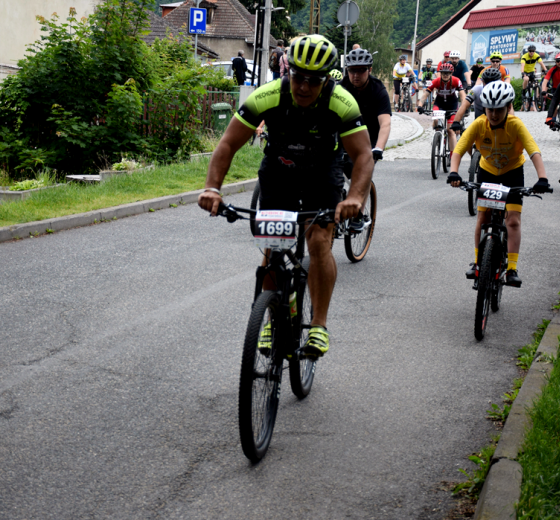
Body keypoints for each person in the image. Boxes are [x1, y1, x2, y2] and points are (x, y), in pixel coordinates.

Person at [198, 34, 374, 358]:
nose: (304, 86)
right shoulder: (267, 97)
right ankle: (273, 315)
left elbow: (363, 155)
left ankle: (318, 326)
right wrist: (212, 187)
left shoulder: (341, 103)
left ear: (325, 81)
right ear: (287, 71)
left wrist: (355, 197)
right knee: (273, 241)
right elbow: (227, 144)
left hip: (323, 172)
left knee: (320, 242)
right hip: (280, 169)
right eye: (298, 77)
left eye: (314, 80)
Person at [447, 81, 551, 288]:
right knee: (483, 217)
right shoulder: (479, 124)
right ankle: (478, 263)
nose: (494, 114)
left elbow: (533, 151)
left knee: (512, 221)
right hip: (488, 172)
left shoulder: (515, 124)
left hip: (513, 173)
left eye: (499, 109)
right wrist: (453, 172)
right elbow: (459, 149)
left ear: (508, 107)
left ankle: (511, 268)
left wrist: (542, 178)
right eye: (490, 109)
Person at [341, 48, 392, 164]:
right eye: (352, 70)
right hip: (346, 135)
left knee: (360, 174)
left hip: (370, 137)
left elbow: (385, 123)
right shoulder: (341, 88)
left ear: (370, 70)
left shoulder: (379, 90)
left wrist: (379, 148)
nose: (355, 75)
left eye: (361, 70)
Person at [417, 62, 466, 154]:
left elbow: (462, 95)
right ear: (441, 73)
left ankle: (453, 156)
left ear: (451, 73)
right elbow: (425, 95)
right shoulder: (436, 81)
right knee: (436, 121)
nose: (446, 75)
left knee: (450, 131)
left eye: (448, 73)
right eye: (443, 73)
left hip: (452, 105)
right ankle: (438, 136)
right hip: (439, 104)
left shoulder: (456, 80)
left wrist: (464, 106)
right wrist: (420, 106)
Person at [520, 45, 547, 111]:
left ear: (534, 51)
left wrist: (546, 70)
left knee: (536, 83)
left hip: (532, 72)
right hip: (525, 72)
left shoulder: (536, 56)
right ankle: (524, 92)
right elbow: (522, 65)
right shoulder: (524, 56)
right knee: (526, 79)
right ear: (528, 51)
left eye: (533, 51)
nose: (531, 52)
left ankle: (536, 96)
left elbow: (541, 63)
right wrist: (523, 73)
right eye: (530, 51)